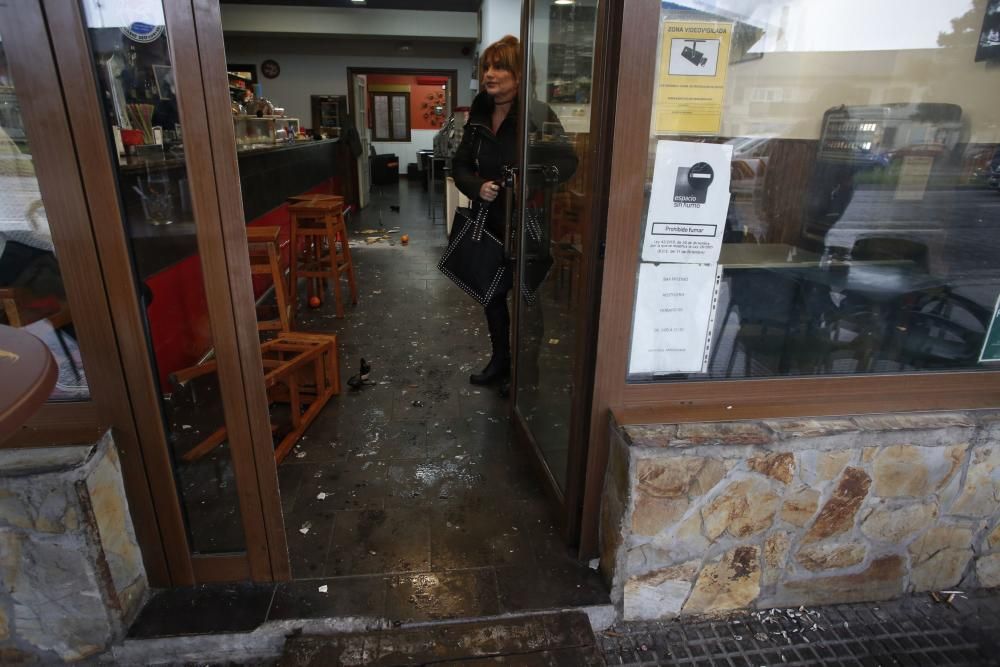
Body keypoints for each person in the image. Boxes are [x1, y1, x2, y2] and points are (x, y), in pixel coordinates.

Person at [452, 35, 577, 389]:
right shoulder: (479, 114)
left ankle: (526, 371)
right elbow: (460, 166)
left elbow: (568, 162)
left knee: (526, 299)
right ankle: (500, 363)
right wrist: (478, 187)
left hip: (528, 224)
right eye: (487, 67)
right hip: (489, 222)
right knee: (491, 296)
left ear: (520, 74)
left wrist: (532, 181)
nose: (490, 74)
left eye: (500, 67)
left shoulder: (538, 114)